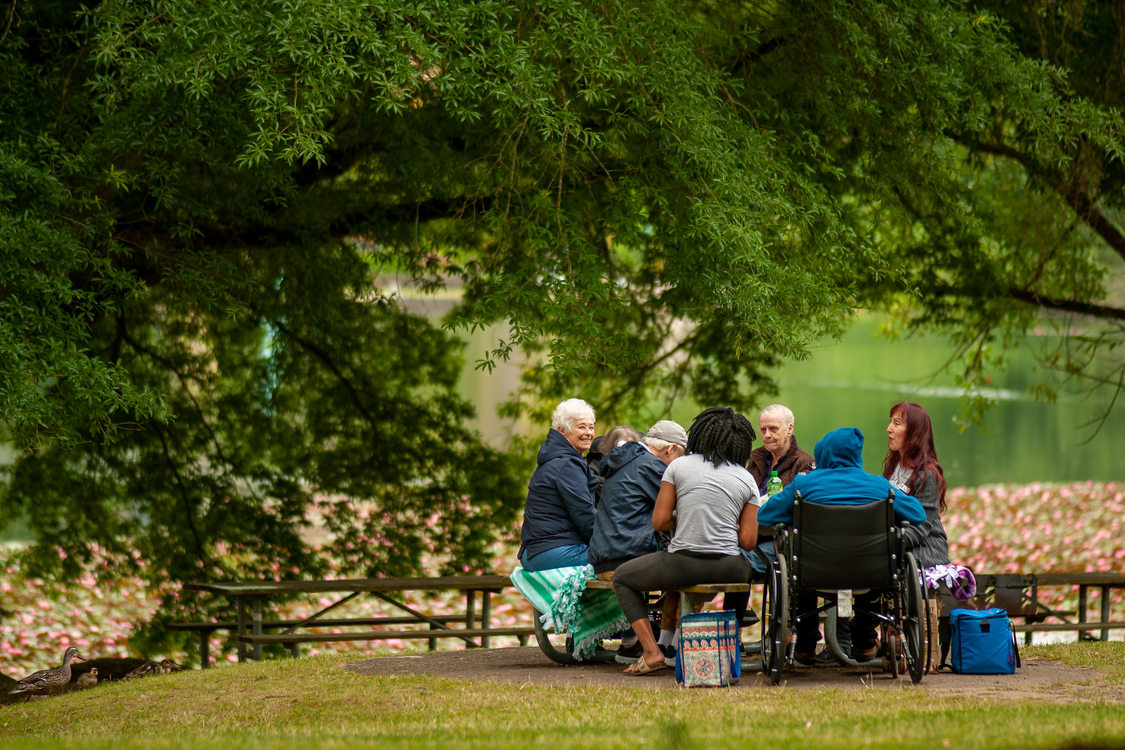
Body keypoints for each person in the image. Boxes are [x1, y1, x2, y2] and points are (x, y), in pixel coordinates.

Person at [758, 426, 925, 664]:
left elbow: (765, 516)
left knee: (799, 565)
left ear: (823, 454)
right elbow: (917, 514)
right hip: (871, 573)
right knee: (876, 559)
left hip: (813, 573)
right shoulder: (879, 486)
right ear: (856, 456)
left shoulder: (803, 486)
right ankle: (865, 642)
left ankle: (805, 645)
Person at [613, 406, 760, 675]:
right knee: (745, 573)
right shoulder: (746, 477)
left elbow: (659, 522)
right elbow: (748, 541)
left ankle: (651, 651)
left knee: (622, 577)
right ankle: (730, 646)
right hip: (729, 567)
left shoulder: (678, 466)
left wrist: (684, 520)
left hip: (682, 564)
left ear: (701, 434)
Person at [587, 420, 688, 663]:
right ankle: (672, 648)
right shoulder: (650, 465)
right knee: (691, 569)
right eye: (680, 457)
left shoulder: (621, 463)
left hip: (604, 559)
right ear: (670, 449)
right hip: (627, 558)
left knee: (680, 567)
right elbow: (675, 510)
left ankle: (665, 645)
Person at [883, 401, 951, 672]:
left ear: (914, 433)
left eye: (897, 424)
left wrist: (887, 542)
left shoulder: (927, 474)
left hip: (925, 547)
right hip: (899, 541)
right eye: (890, 422)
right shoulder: (892, 468)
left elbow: (921, 528)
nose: (888, 429)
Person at [517, 398, 600, 571]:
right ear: (563, 431)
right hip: (550, 550)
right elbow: (585, 517)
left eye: (591, 427)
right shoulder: (566, 464)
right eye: (581, 427)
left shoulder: (561, 458)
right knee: (622, 557)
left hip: (541, 551)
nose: (589, 433)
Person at [748, 404, 815, 493]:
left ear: (789, 429)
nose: (767, 435)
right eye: (763, 430)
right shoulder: (756, 457)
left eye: (773, 429)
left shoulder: (805, 464)